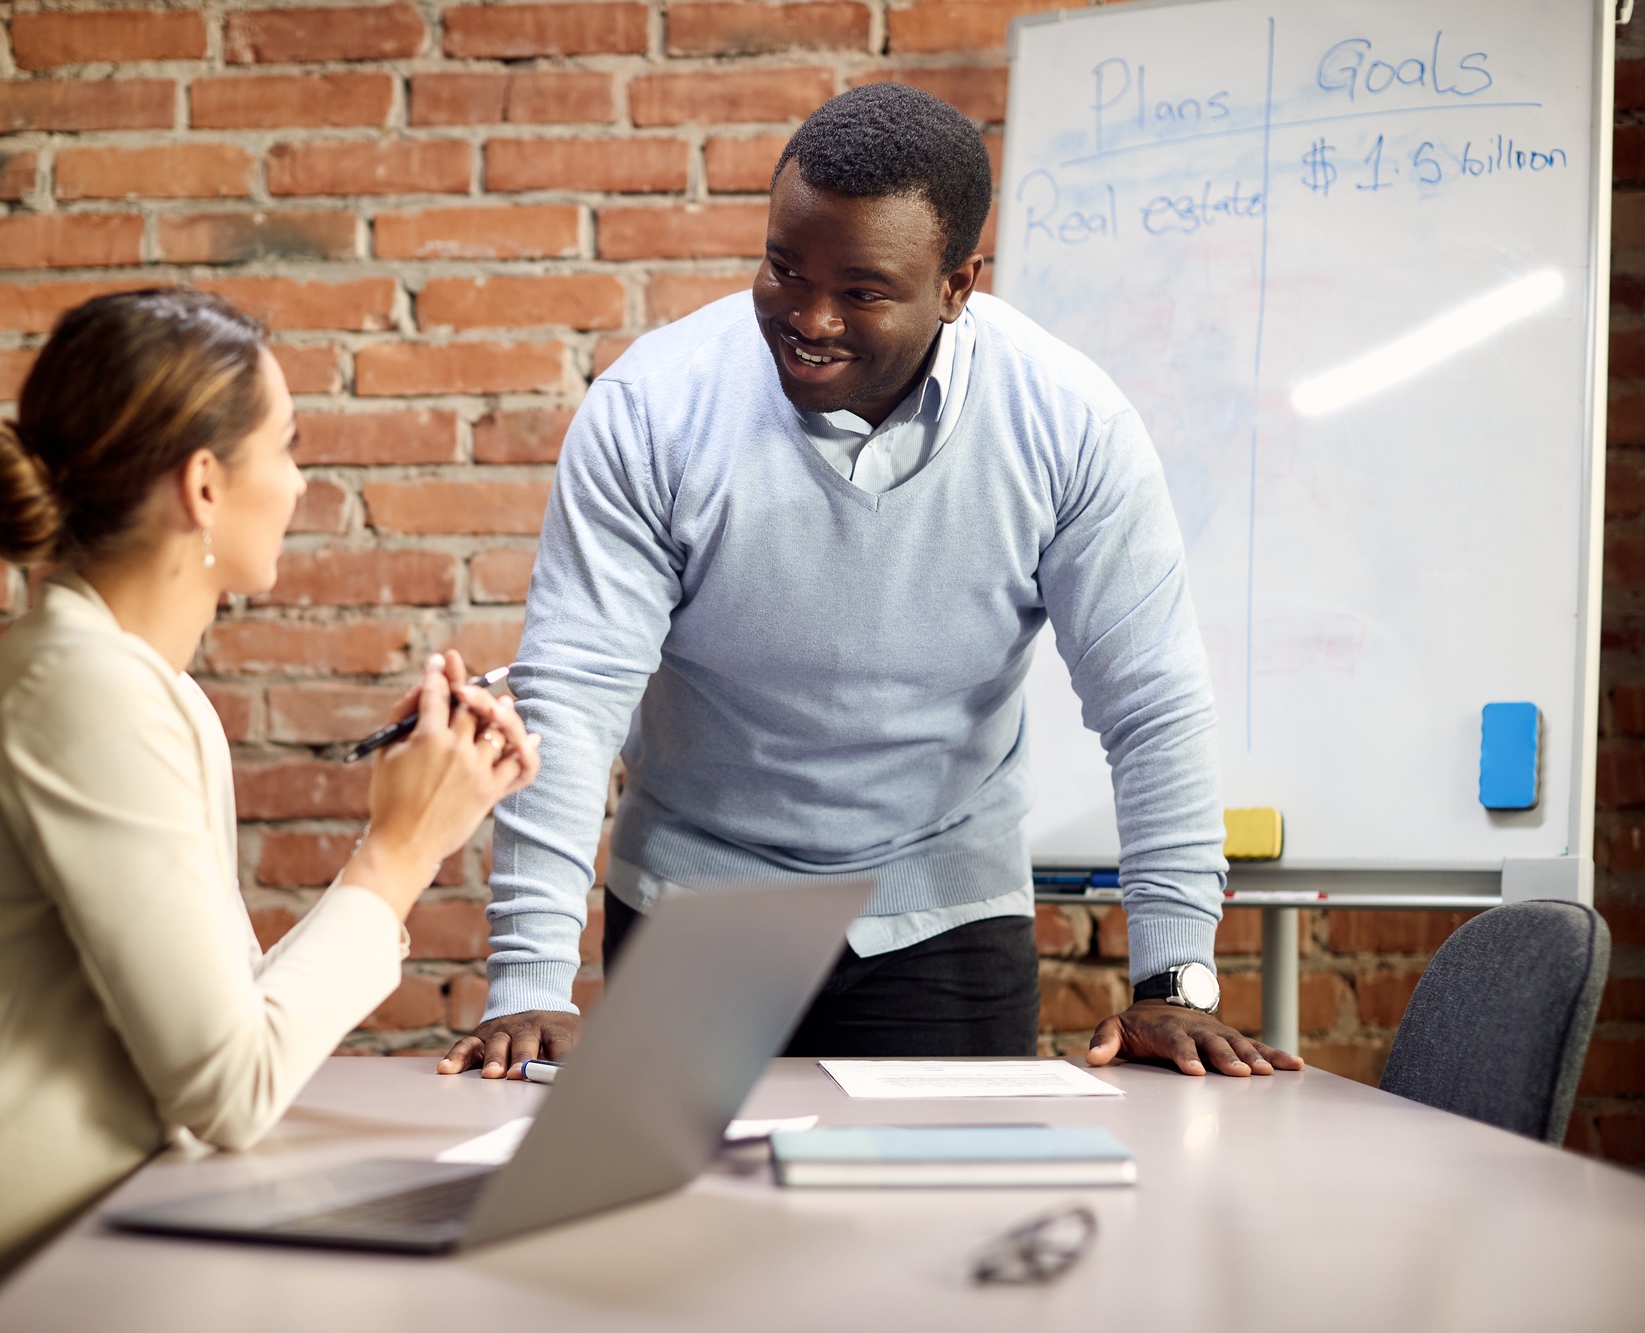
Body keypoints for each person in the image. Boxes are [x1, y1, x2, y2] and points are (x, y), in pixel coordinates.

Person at [438, 84, 1299, 1081]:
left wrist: (1170, 978)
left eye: (860, 290)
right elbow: (572, 699)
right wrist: (531, 983)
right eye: (780, 268)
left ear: (956, 286)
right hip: (700, 901)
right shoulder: (652, 411)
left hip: (941, 911)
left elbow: (1149, 702)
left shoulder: (1067, 424)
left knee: (934, 1236)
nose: (808, 318)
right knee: (693, 1234)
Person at [0, 289, 540, 1333]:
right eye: (287, 446)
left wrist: (409, 833)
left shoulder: (133, 687)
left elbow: (204, 1034)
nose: (302, 482)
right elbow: (228, 1084)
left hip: (54, 1255)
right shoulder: (85, 692)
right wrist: (397, 853)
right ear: (205, 485)